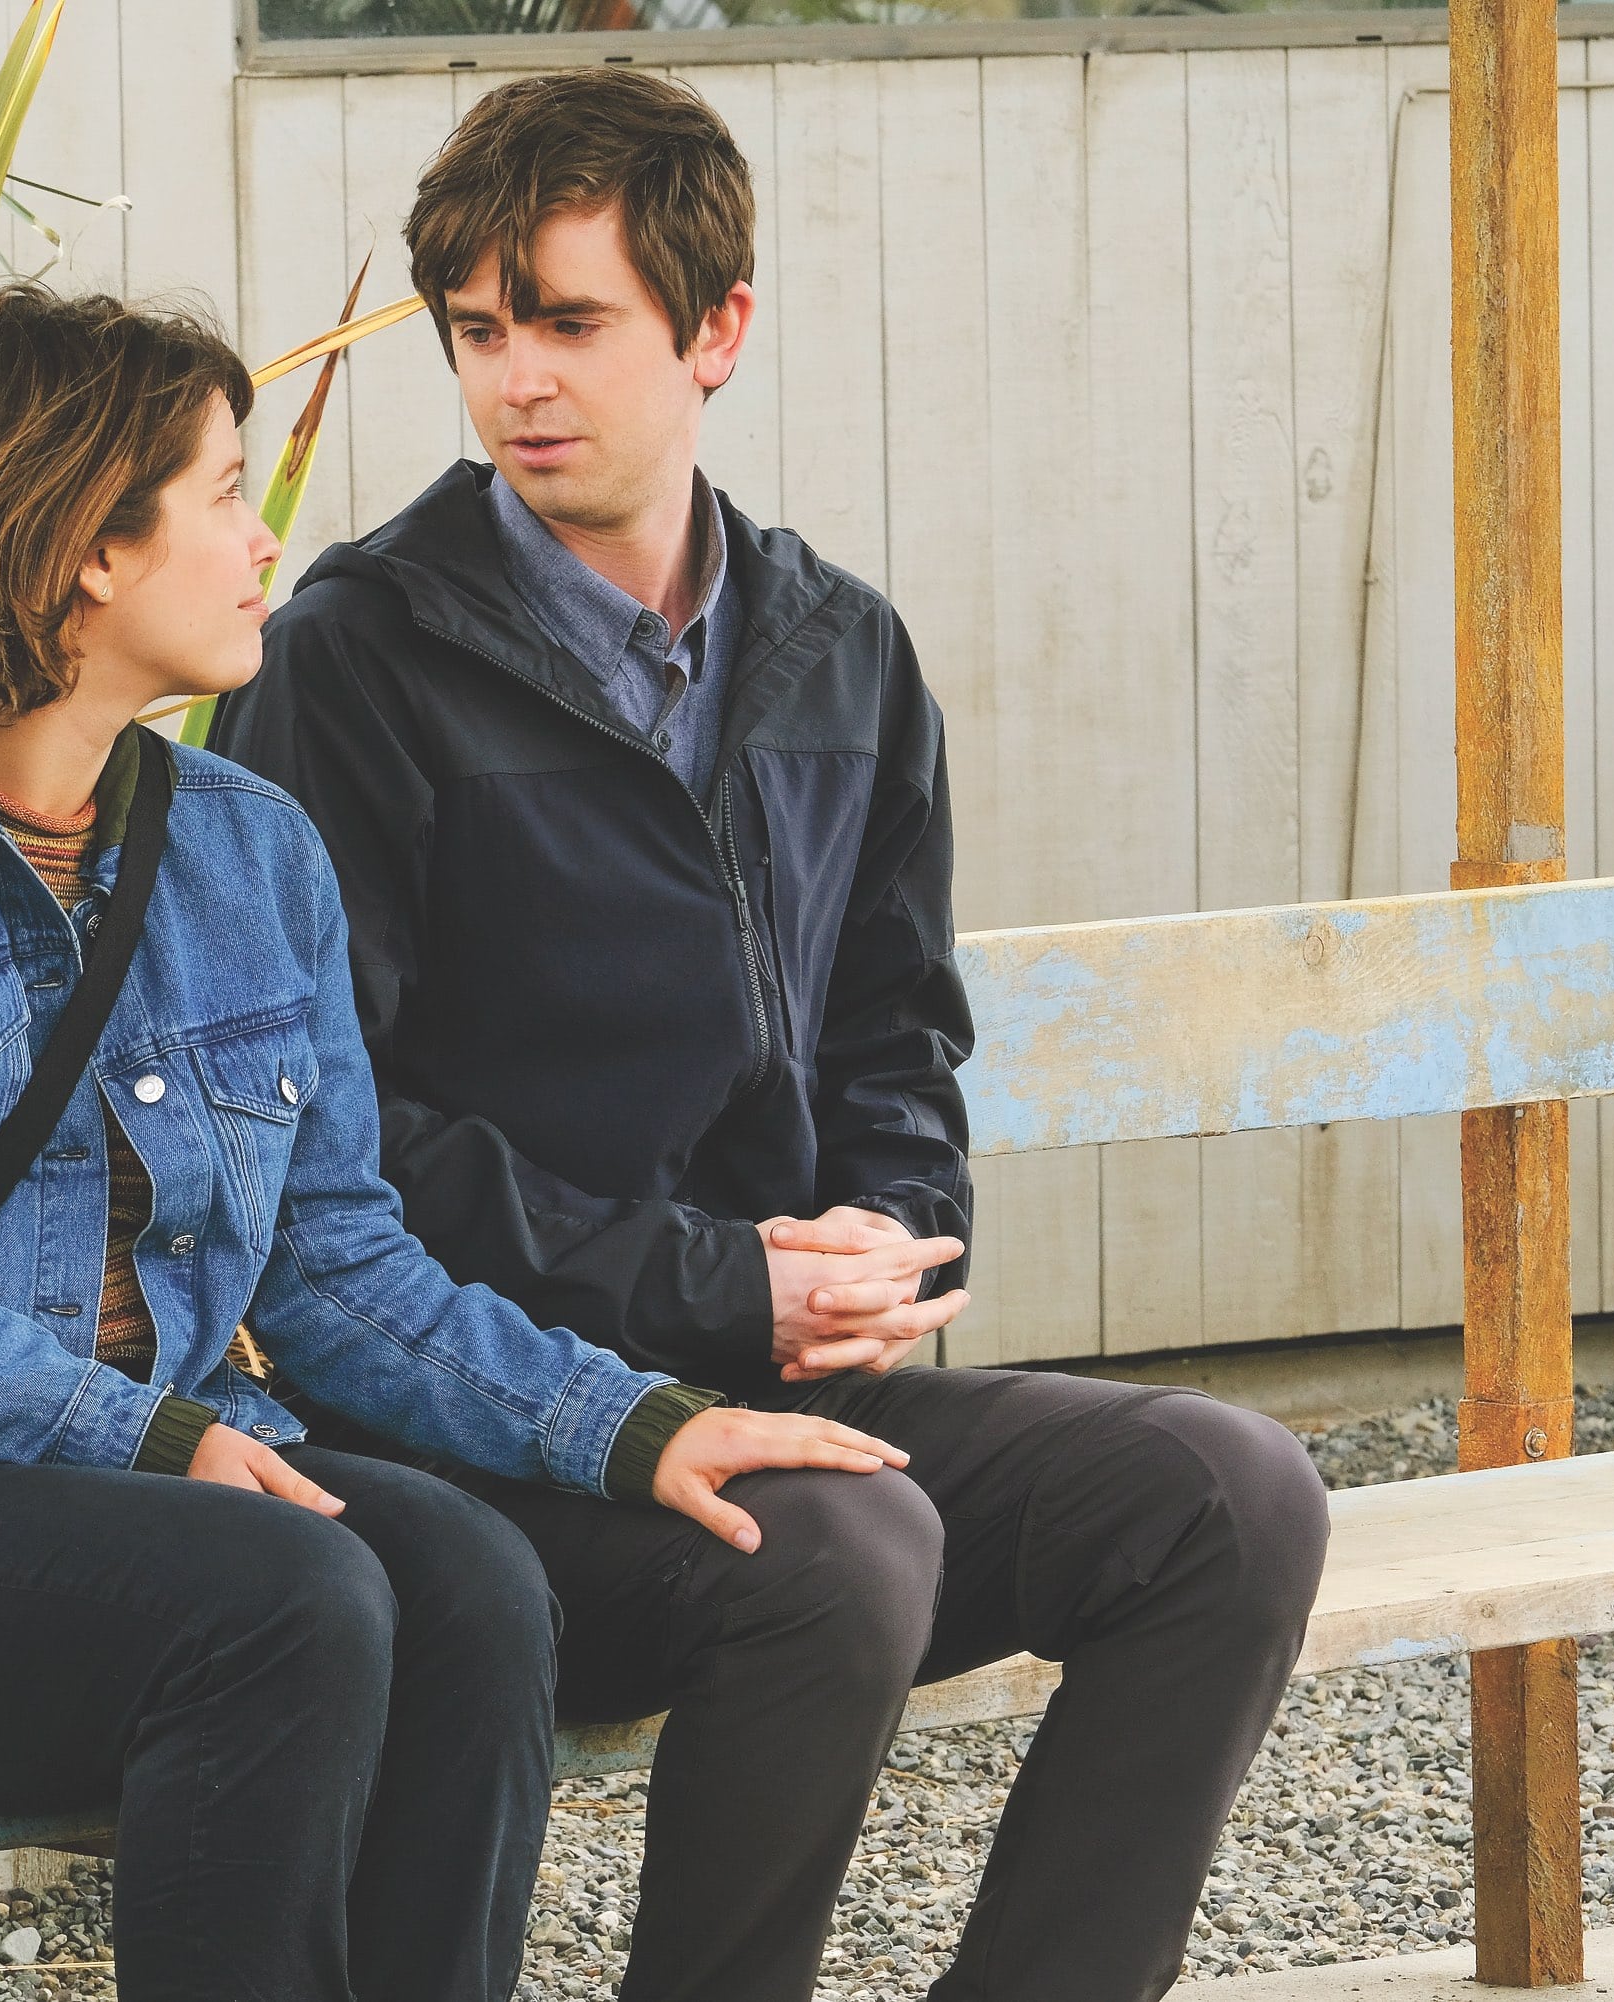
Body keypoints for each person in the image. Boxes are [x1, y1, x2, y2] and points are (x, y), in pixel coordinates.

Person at [0, 285, 909, 2002]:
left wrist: (630, 1421)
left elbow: (338, 1268)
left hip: (154, 1504)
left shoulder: (247, 851)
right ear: (86, 543)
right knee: (293, 1594)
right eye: (223, 492)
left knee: (472, 1579)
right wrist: (152, 1437)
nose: (264, 537)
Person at [211, 69, 1331, 2002]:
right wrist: (714, 1280)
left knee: (1232, 1499)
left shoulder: (841, 649)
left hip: (795, 1391)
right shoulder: (352, 662)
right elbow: (340, 1137)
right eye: (477, 332)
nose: (514, 383)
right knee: (837, 1553)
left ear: (716, 329)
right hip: (496, 1433)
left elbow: (897, 1032)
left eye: (570, 323)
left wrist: (888, 1237)